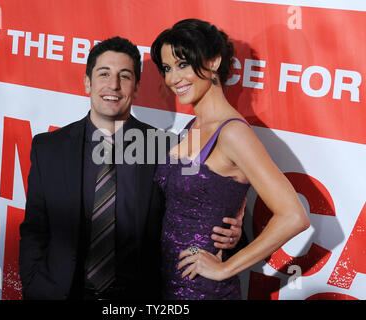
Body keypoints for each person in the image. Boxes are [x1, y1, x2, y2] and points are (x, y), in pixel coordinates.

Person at [19, 36, 244, 300]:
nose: (113, 85)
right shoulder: (49, 148)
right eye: (104, 74)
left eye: (124, 76)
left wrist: (232, 236)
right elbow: (34, 230)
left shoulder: (168, 148)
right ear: (87, 82)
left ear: (136, 87)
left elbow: (199, 218)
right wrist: (34, 286)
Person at [150, 19, 310, 300]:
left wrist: (225, 269)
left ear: (213, 62)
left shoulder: (233, 132)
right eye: (167, 68)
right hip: (168, 281)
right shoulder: (194, 125)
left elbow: (294, 216)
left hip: (202, 290)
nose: (173, 78)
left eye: (183, 64)